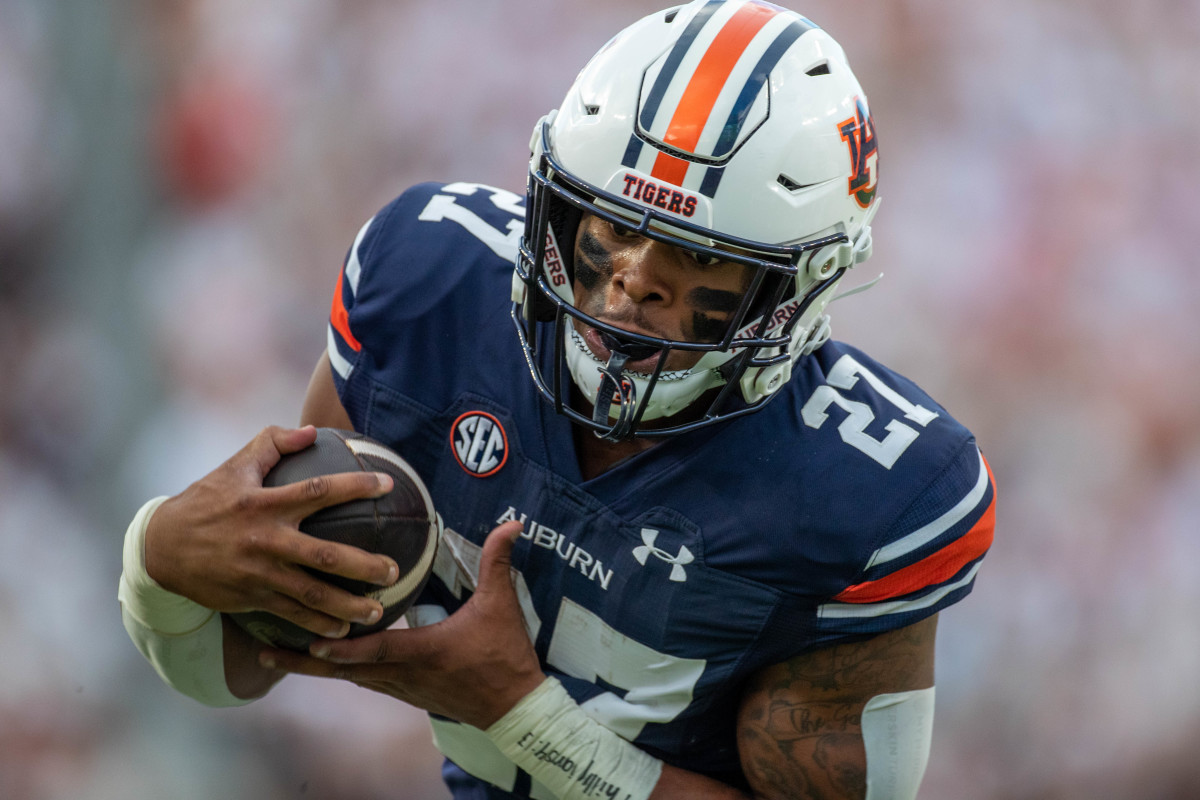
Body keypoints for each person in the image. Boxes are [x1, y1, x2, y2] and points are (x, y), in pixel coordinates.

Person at [119, 2, 996, 799]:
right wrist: (157, 560)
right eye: (611, 228)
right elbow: (235, 663)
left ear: (799, 287)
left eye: (697, 259)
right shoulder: (429, 292)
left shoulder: (872, 491)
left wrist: (520, 714)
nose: (632, 283)